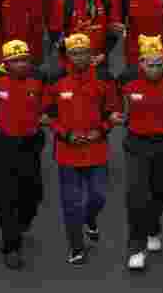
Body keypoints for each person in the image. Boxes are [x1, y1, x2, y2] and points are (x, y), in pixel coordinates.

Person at [115, 35, 163, 271]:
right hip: (136, 144)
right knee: (136, 196)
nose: (155, 69)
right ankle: (136, 248)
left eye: (160, 64)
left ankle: (153, 226)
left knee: (160, 194)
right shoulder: (127, 82)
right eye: (150, 64)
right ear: (141, 63)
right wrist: (116, 116)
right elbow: (115, 106)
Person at [44, 34, 119, 265]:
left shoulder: (104, 79)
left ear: (91, 54)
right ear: (67, 56)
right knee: (71, 203)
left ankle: (90, 219)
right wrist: (66, 134)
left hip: (97, 150)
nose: (79, 57)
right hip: (67, 152)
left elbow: (113, 113)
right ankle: (76, 247)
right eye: (74, 53)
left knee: (99, 196)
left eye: (83, 52)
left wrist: (102, 130)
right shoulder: (56, 79)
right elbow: (47, 116)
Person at [0, 38, 49, 270]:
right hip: (4, 145)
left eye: (24, 60)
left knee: (33, 195)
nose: (21, 65)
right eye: (15, 61)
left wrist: (47, 115)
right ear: (6, 63)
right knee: (6, 197)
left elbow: (52, 103)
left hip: (32, 144)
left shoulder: (40, 78)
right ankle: (11, 244)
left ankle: (21, 225)